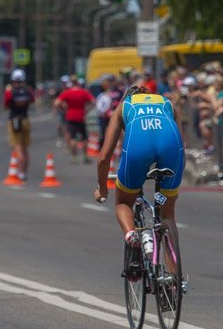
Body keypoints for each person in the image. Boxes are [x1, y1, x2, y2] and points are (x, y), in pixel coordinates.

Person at [94, 85, 186, 252]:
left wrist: (102, 189)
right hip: (171, 149)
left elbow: (103, 158)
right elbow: (181, 144)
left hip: (138, 147)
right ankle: (173, 275)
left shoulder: (124, 106)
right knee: (168, 213)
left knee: (123, 202)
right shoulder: (167, 103)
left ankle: (131, 234)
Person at [55, 76, 94, 163]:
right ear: (78, 82)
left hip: (70, 116)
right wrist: (87, 110)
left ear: (71, 83)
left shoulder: (67, 92)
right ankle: (85, 157)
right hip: (81, 116)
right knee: (84, 137)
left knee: (72, 137)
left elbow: (56, 103)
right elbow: (93, 102)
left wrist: (64, 109)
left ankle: (74, 157)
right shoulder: (83, 92)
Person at [4, 68, 36, 177]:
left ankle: (20, 173)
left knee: (18, 148)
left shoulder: (11, 92)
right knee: (25, 149)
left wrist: (8, 91)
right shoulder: (28, 91)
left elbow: (6, 105)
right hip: (25, 120)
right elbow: (33, 99)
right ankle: (24, 173)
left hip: (14, 121)